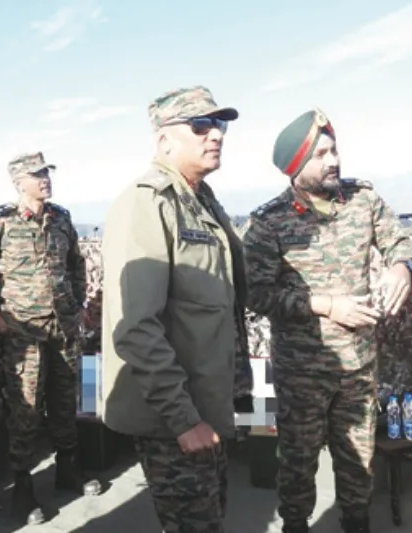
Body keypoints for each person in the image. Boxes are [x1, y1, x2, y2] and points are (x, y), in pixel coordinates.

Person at [243, 108, 412, 533]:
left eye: (334, 149)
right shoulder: (269, 223)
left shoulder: (363, 200)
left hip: (358, 366)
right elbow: (255, 293)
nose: (334, 160)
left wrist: (402, 267)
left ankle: (356, 523)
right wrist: (324, 305)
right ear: (295, 166)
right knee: (298, 465)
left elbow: (399, 240)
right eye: (320, 155)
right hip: (302, 372)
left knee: (359, 465)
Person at [101, 85, 250, 533]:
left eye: (219, 124)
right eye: (200, 125)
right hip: (176, 418)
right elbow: (135, 328)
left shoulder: (201, 200)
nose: (215, 134)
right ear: (164, 139)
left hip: (207, 405)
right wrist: (184, 421)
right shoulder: (146, 203)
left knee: (211, 517)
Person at [0, 151, 102, 525]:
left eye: (46, 173)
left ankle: (68, 469)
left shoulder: (61, 218)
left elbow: (76, 263)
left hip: (63, 330)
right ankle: (23, 486)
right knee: (25, 409)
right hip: (23, 333)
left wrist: (77, 304)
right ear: (18, 182)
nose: (44, 179)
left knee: (65, 400)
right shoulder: (0, 221)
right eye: (36, 175)